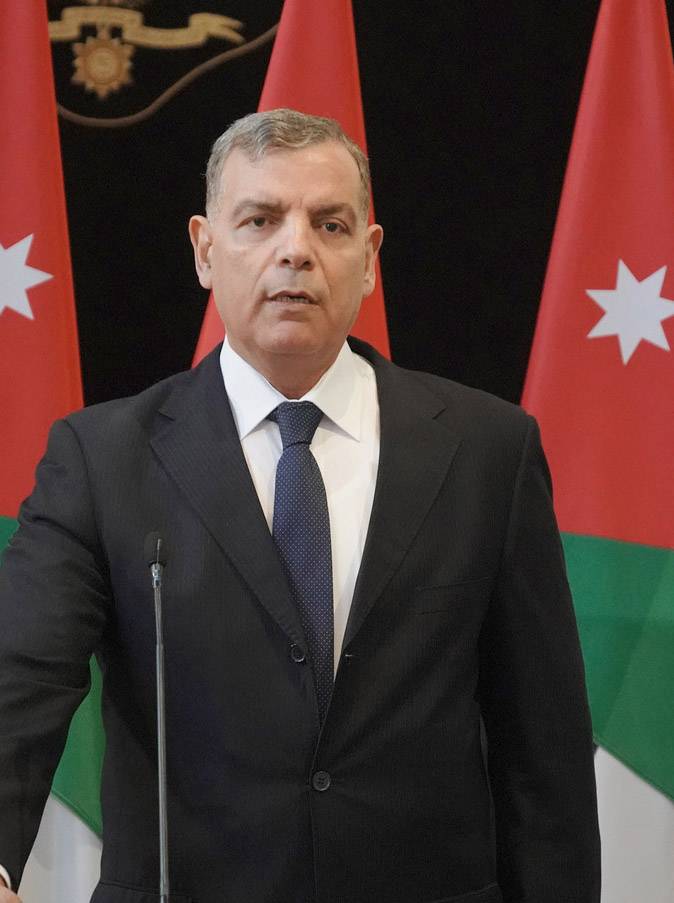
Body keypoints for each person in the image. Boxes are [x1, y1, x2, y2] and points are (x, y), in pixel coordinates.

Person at [0, 108, 600, 903]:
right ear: (204, 250)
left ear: (369, 257)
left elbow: (544, 754)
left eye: (330, 223)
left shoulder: (489, 449)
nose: (296, 249)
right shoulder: (102, 458)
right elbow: (20, 680)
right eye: (259, 220)